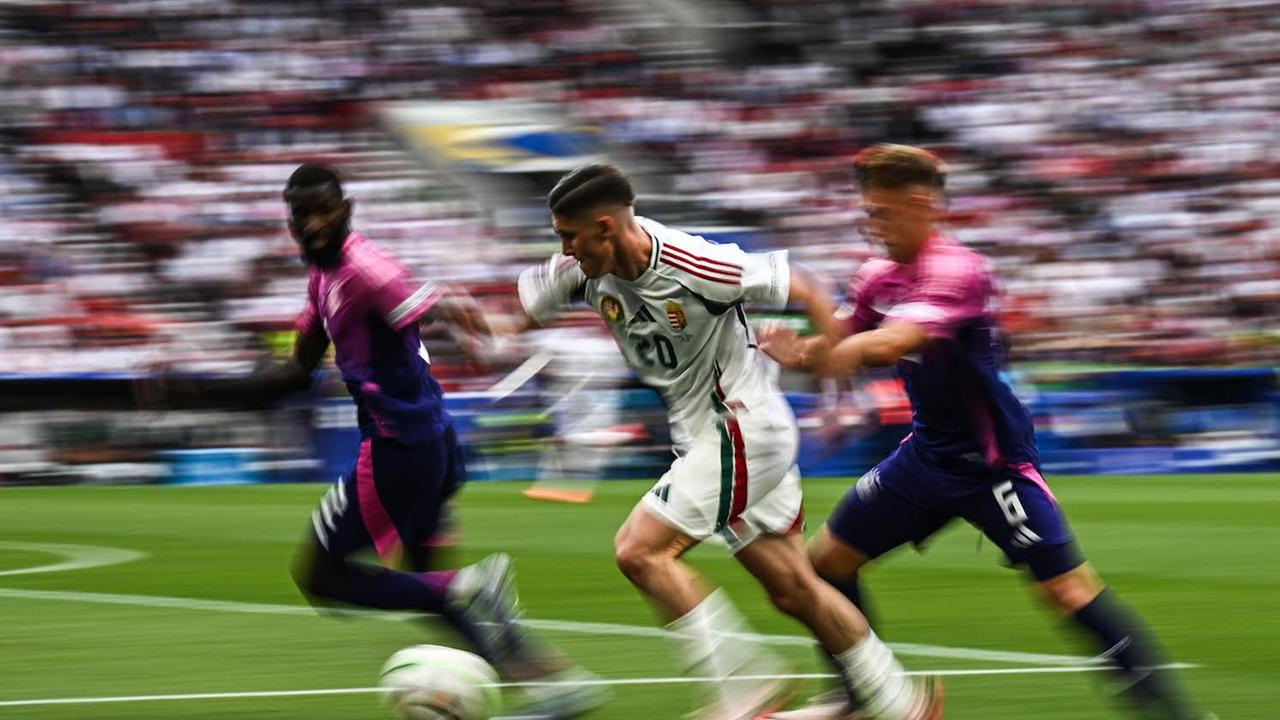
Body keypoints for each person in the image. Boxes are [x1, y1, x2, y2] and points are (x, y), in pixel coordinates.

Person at [136, 163, 605, 719]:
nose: (310, 226)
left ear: (346, 209)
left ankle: (474, 585)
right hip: (424, 443)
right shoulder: (322, 279)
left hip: (398, 448)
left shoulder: (366, 269)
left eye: (321, 213)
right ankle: (552, 688)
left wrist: (489, 333)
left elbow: (436, 302)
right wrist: (192, 389)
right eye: (300, 216)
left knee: (323, 574)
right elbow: (291, 374)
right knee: (428, 586)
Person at [759, 144, 1211, 720]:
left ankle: (1175, 715)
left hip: (993, 468)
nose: (872, 227)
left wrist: (830, 355)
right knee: (826, 564)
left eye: (883, 213)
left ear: (922, 204)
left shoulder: (958, 270)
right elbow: (842, 337)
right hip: (925, 459)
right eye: (867, 214)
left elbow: (892, 344)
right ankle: (857, 695)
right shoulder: (877, 275)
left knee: (1069, 592)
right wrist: (798, 352)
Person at [516, 163, 944, 720]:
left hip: (740, 427)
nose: (565, 249)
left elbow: (808, 286)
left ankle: (749, 683)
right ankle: (900, 703)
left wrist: (833, 370)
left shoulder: (694, 263)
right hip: (713, 435)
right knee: (794, 589)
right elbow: (524, 312)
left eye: (568, 235)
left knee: (640, 552)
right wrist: (487, 327)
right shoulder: (586, 268)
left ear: (604, 227)